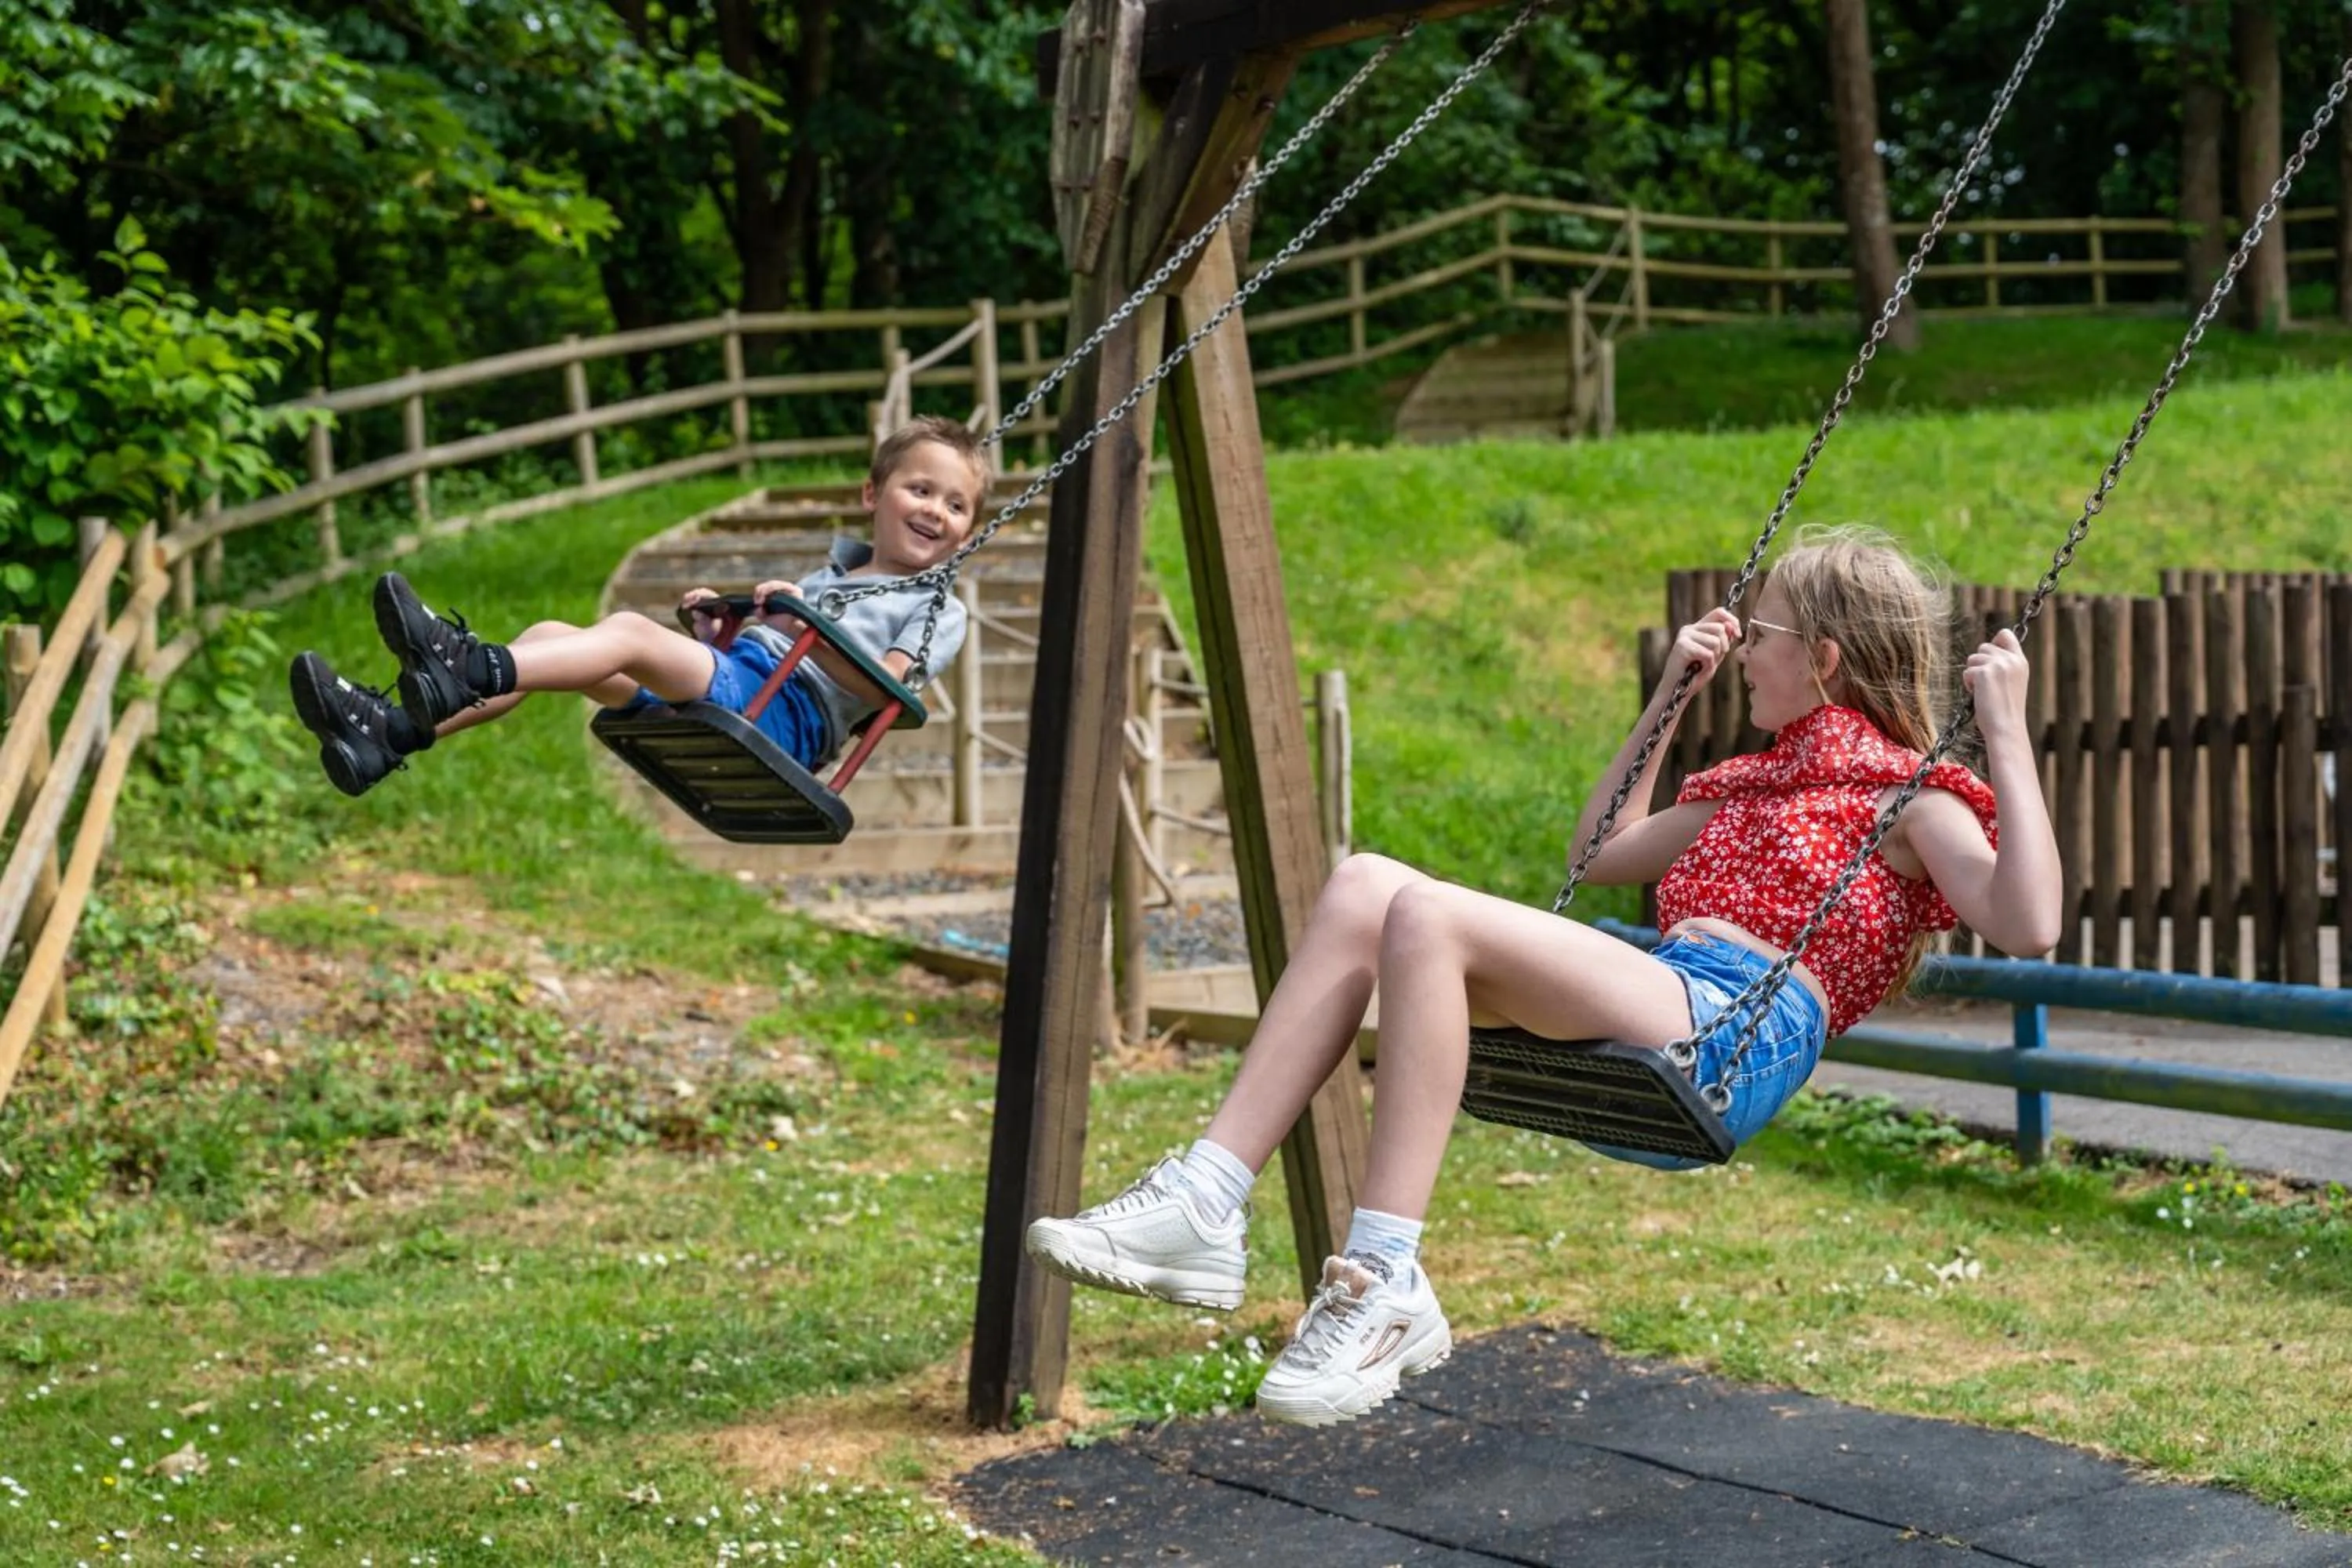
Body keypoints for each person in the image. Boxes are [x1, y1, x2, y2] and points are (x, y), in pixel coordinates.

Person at [1025, 526, 2063, 1428]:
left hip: (1731, 1030)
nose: (1744, 647)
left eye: (1764, 632)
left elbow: (2029, 921)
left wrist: (2006, 731)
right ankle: (1209, 1197)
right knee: (1363, 887)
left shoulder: (1909, 804)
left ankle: (1385, 1276)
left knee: (1426, 913)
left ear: (1824, 659)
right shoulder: (1753, 786)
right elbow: (1600, 853)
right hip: (1667, 989)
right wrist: (1673, 694)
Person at [287, 416, 989, 797]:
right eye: (920, 490)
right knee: (551, 634)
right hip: (743, 686)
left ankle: (464, 665)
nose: (936, 512)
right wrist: (728, 624)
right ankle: (391, 734)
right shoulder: (839, 569)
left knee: (626, 632)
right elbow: (768, 647)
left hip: (781, 719)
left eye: (957, 506)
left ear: (968, 529)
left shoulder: (937, 607)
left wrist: (806, 625)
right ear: (873, 495)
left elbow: (887, 685)